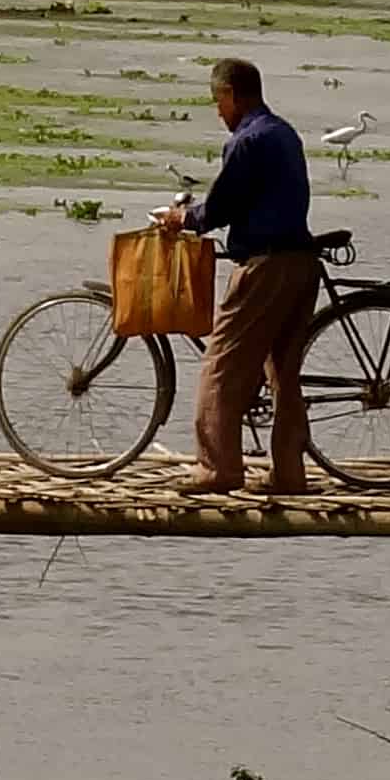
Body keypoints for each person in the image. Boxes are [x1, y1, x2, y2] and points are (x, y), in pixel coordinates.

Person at [157, 57, 316, 495]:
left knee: (221, 365)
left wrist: (181, 218)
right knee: (283, 372)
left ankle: (218, 469)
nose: (218, 112)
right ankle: (288, 474)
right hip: (302, 262)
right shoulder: (283, 132)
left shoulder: (246, 141)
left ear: (231, 95)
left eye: (217, 102)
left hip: (265, 266)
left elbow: (220, 207)